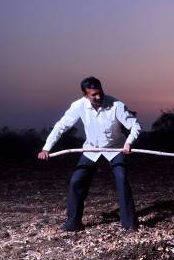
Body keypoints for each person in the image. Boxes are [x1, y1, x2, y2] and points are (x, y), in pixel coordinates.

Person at [37, 76, 142, 232]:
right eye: (93, 94)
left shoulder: (116, 105)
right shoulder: (78, 106)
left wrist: (129, 142)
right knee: (76, 180)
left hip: (115, 148)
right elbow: (61, 126)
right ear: (85, 95)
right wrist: (46, 148)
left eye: (100, 92)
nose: (98, 97)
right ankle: (73, 223)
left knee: (121, 178)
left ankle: (129, 223)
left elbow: (135, 126)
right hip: (91, 148)